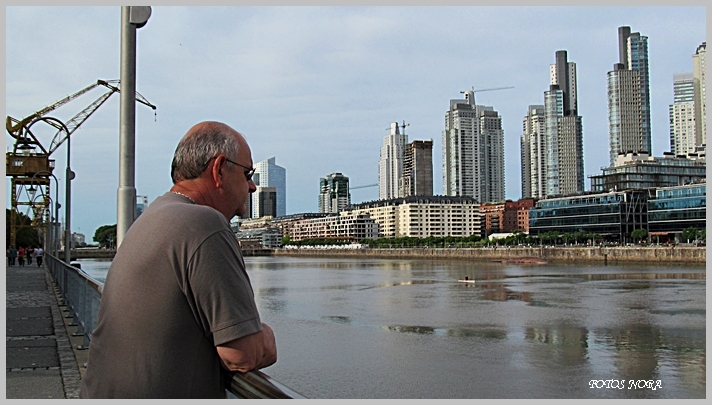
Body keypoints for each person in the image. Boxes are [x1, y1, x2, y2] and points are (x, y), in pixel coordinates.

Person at [80, 121, 276, 398]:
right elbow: (241, 354)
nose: (252, 186)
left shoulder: (151, 217)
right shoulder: (206, 223)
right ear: (219, 169)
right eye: (247, 173)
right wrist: (265, 335)